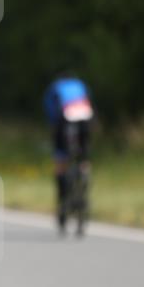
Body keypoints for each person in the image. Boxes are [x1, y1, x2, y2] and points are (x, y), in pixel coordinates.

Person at [44, 73, 94, 233]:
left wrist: (53, 125)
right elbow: (89, 100)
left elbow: (49, 108)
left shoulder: (55, 87)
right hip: (85, 116)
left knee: (61, 159)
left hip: (65, 118)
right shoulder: (80, 83)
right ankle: (85, 172)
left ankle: (62, 194)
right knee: (84, 156)